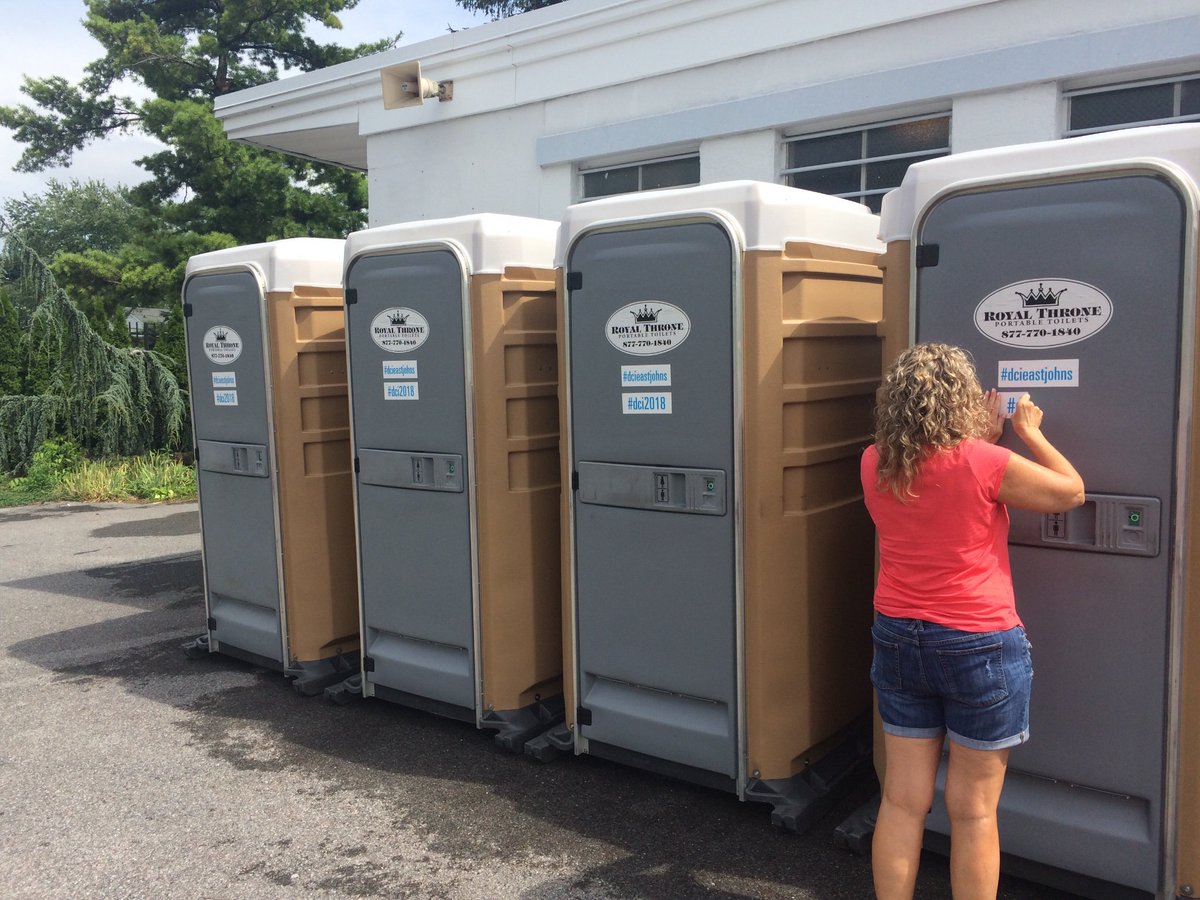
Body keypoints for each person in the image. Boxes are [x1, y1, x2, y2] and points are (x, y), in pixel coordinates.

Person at [861, 343, 1085, 900]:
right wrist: (1027, 430)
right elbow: (1071, 492)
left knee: (901, 800)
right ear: (962, 399)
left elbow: (935, 483)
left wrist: (981, 444)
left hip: (897, 636)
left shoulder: (874, 460)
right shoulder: (983, 463)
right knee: (974, 812)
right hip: (977, 643)